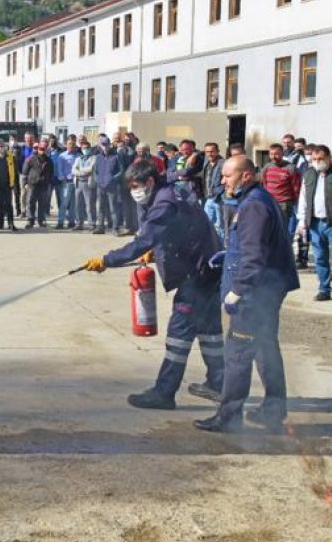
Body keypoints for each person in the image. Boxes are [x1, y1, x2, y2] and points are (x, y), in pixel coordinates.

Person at [80, 159, 225, 410]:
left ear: (149, 181)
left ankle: (164, 392)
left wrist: (106, 260)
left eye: (136, 185)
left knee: (178, 336)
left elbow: (144, 239)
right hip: (210, 269)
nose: (134, 191)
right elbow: (179, 229)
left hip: (197, 275)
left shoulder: (164, 203)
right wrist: (157, 251)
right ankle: (219, 384)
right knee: (209, 331)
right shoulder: (173, 191)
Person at [197, 156, 300, 433]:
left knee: (238, 354)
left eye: (227, 176)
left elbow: (253, 256)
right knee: (266, 348)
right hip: (267, 288)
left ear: (245, 176)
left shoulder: (254, 205)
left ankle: (229, 416)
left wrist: (238, 290)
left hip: (254, 294)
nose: (222, 181)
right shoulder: (258, 198)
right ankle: (273, 410)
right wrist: (227, 257)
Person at [296, 145, 332, 306]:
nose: (317, 162)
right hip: (314, 223)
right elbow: (303, 199)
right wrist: (302, 221)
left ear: (329, 158)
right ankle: (324, 289)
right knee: (320, 258)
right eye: (314, 159)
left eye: (321, 159)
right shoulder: (309, 174)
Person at [259, 143, 301, 244]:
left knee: (282, 230)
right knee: (268, 229)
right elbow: (263, 183)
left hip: (284, 204)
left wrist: (294, 202)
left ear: (282, 154)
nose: (274, 156)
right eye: (271, 154)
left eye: (277, 154)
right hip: (268, 203)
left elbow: (296, 187)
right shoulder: (267, 167)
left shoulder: (290, 168)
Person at [91, 137, 124, 234]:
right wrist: (97, 180)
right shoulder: (98, 157)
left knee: (113, 208)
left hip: (112, 186)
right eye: (103, 144)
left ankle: (115, 228)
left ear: (110, 144)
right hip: (100, 186)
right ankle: (100, 227)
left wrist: (112, 179)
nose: (105, 146)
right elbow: (95, 171)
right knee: (100, 207)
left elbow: (121, 171)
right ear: (100, 146)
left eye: (106, 144)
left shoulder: (116, 156)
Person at [23, 141, 54, 228]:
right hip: (32, 185)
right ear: (38, 149)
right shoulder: (31, 159)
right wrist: (25, 183)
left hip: (43, 185)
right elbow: (25, 172)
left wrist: (48, 182)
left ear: (47, 149)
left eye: (44, 149)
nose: (42, 151)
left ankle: (41, 220)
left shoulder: (49, 161)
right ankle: (30, 220)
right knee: (30, 203)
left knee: (42, 204)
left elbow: (51, 173)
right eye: (41, 149)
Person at [0, 139, 18, 230]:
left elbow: (15, 171)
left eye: (2, 146)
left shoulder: (11, 156)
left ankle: (11, 224)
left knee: (9, 204)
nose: (1, 148)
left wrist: (14, 184)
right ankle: (1, 224)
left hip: (8, 184)